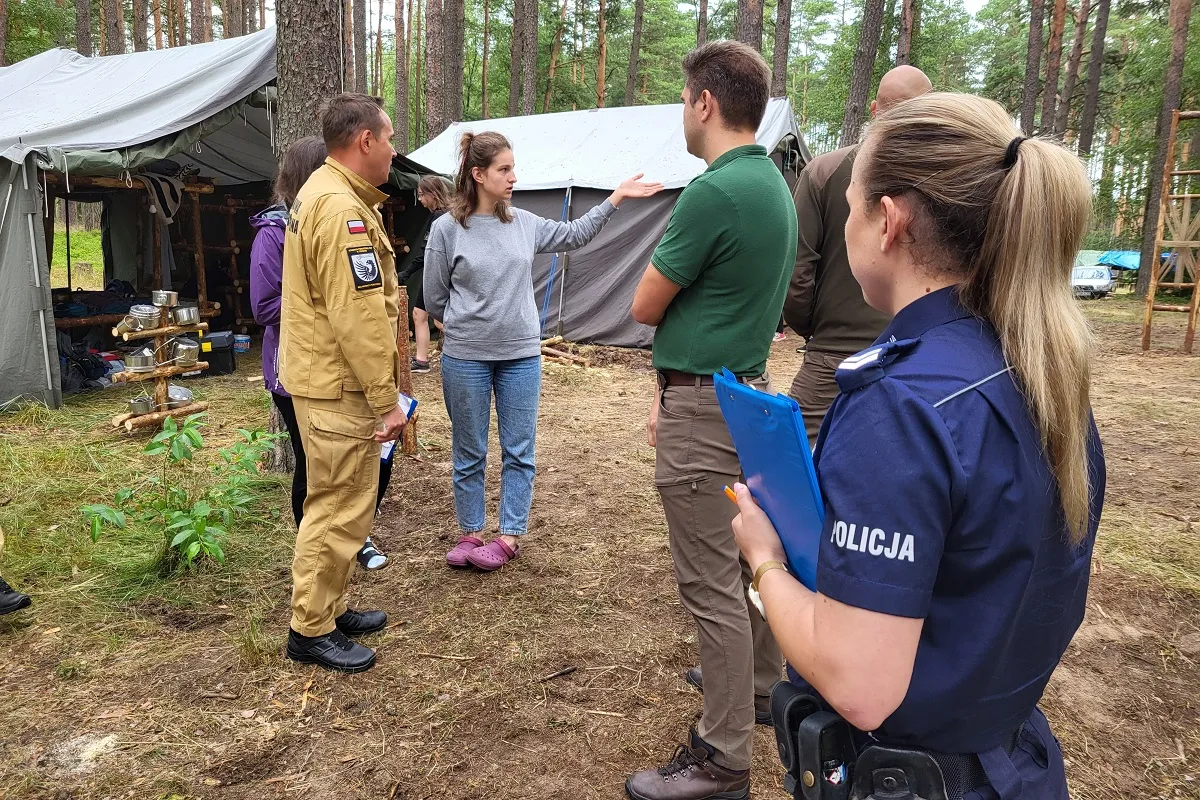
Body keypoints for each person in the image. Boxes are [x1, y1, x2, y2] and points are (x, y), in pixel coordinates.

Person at [731, 92, 1105, 800]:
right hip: (1012, 765)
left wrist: (766, 562)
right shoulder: (1042, 371)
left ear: (889, 219)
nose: (843, 222)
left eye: (849, 204)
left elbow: (858, 684)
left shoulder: (902, 407)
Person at [625, 41, 798, 800]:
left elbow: (643, 304)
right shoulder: (773, 186)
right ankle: (761, 688)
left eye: (683, 98)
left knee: (711, 587)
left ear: (705, 102)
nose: (682, 112)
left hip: (703, 405)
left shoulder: (714, 192)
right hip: (746, 396)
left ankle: (724, 756)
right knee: (751, 561)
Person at [424, 131, 663, 572]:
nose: (514, 177)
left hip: (520, 356)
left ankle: (509, 535)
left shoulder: (525, 224)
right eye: (504, 169)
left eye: (513, 168)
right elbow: (435, 296)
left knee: (519, 448)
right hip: (464, 356)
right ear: (478, 175)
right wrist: (465, 327)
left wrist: (616, 199)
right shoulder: (445, 230)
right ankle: (471, 531)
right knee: (468, 448)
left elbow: (575, 235)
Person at [277, 94, 408, 674]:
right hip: (337, 385)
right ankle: (309, 629)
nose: (394, 149)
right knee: (335, 504)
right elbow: (357, 317)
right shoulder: (339, 210)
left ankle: (328, 608)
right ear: (364, 142)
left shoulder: (330, 195)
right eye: (389, 137)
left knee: (344, 501)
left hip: (328, 379)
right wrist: (388, 400)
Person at [250, 136, 392, 572]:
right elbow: (265, 305)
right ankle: (316, 569)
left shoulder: (318, 215)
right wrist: (321, 308)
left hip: (337, 371)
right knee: (319, 480)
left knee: (347, 479)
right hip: (305, 373)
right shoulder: (281, 231)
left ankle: (343, 555)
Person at [783, 65, 932, 445]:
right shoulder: (947, 177)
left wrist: (815, 329)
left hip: (834, 357)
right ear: (929, 108)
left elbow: (796, 272)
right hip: (923, 355)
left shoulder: (825, 172)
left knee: (790, 465)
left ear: (873, 109)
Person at [397, 175, 452, 374]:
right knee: (421, 315)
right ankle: (421, 359)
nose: (420, 200)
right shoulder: (447, 215)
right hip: (440, 274)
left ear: (432, 194)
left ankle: (470, 349)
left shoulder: (439, 219)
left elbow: (427, 253)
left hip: (437, 276)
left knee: (435, 319)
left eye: (421, 195)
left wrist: (406, 273)